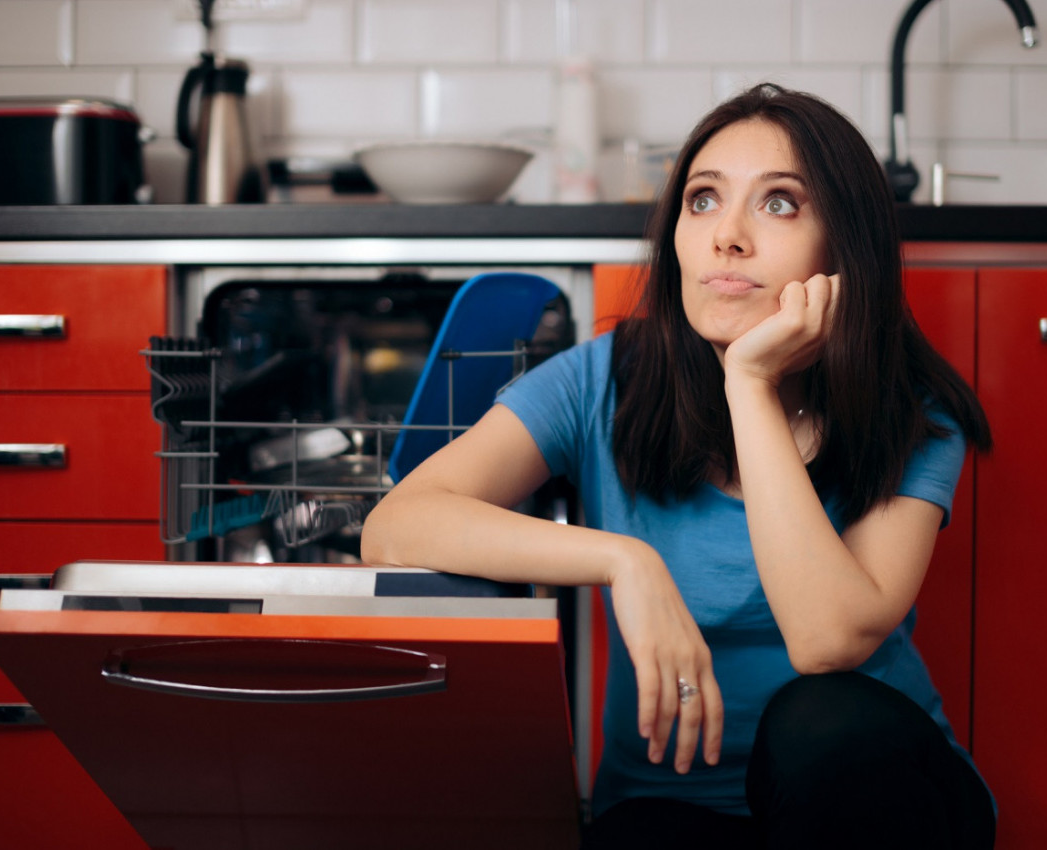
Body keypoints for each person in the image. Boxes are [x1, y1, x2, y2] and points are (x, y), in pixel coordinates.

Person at [361, 82, 995, 849]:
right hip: (672, 805)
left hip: (876, 801)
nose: (726, 236)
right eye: (702, 200)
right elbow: (396, 523)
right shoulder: (603, 380)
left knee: (820, 721)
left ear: (843, 245)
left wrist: (750, 385)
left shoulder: (910, 409)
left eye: (779, 204)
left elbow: (828, 641)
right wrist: (624, 561)